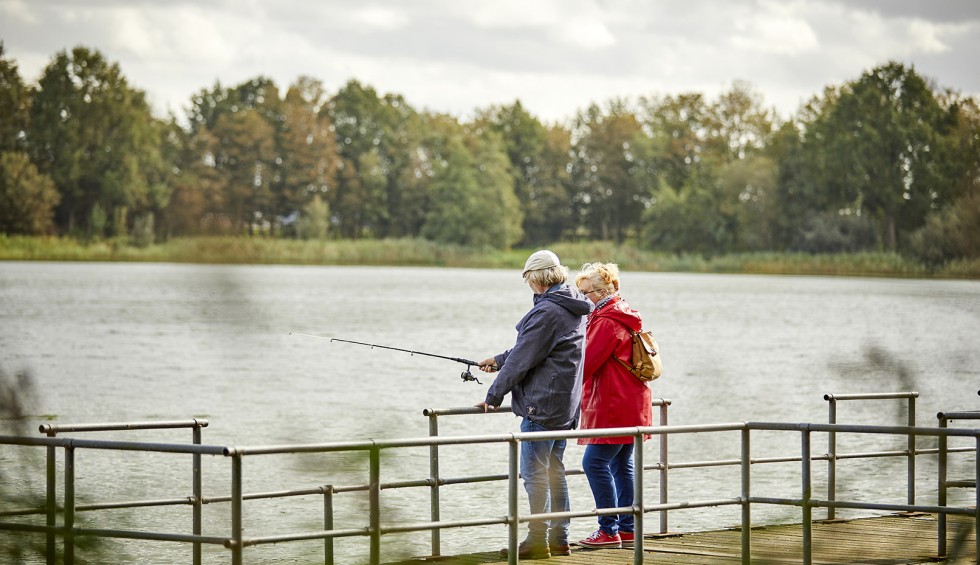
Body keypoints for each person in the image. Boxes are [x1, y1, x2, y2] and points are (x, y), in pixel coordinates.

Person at [475, 249, 592, 560]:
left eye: (527, 280)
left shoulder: (548, 311)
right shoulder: (572, 303)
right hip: (564, 405)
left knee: (535, 474)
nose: (527, 285)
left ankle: (538, 541)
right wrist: (498, 360)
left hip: (542, 406)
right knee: (554, 472)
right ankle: (559, 538)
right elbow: (533, 348)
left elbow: (523, 359)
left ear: (537, 279)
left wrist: (493, 396)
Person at [573, 262, 653, 549]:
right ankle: (628, 528)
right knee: (620, 463)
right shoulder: (623, 312)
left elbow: (586, 364)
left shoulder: (606, 321)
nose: (581, 298)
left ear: (600, 292)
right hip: (631, 402)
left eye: (584, 293)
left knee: (593, 463)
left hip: (613, 403)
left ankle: (608, 530)